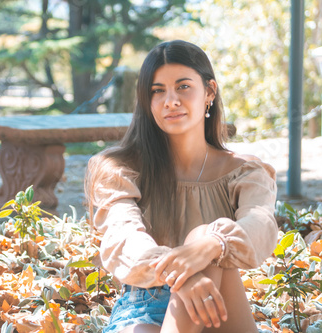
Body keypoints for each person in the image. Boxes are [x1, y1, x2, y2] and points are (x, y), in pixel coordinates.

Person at [84, 40, 278, 333]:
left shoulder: (245, 171)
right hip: (144, 306)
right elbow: (122, 236)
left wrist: (211, 246)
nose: (170, 101)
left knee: (206, 234)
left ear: (209, 91)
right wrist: (184, 275)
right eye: (157, 91)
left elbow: (260, 224)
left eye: (183, 87)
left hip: (218, 307)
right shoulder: (120, 168)